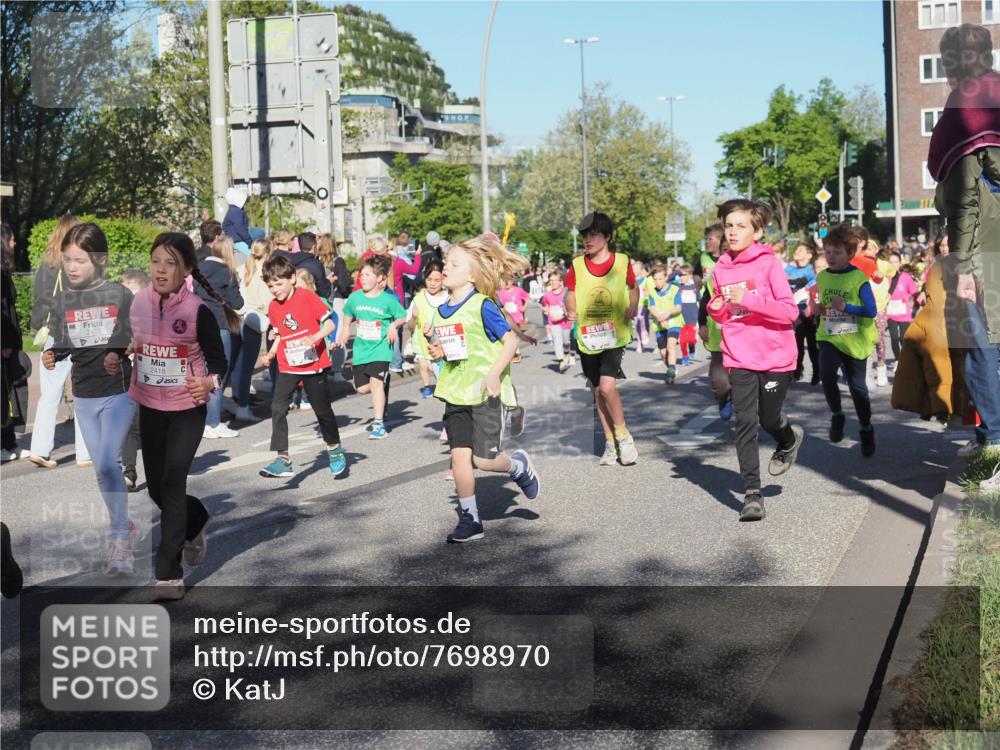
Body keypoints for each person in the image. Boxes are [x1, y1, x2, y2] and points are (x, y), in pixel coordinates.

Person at [108, 232, 228, 601]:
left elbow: (219, 362)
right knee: (158, 489)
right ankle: (196, 521)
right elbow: (127, 336)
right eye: (156, 261)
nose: (160, 270)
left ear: (187, 269)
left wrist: (208, 382)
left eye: (170, 263)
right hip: (150, 406)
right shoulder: (138, 302)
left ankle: (167, 574)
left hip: (186, 411)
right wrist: (116, 354)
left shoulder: (197, 311)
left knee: (173, 484)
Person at [424, 234, 540, 543]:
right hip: (455, 393)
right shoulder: (440, 311)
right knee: (460, 458)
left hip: (486, 394)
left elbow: (510, 341)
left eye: (454, 263)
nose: (446, 267)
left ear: (473, 275)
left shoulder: (483, 306)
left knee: (483, 461)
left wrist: (494, 374)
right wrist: (440, 351)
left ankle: (517, 466)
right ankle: (471, 520)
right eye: (446, 262)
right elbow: (456, 349)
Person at [43, 223, 137, 574]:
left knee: (109, 463)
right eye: (67, 260)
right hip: (83, 394)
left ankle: (120, 541)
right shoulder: (64, 300)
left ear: (100, 260)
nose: (72, 267)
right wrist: (53, 354)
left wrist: (119, 350)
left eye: (79, 260)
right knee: (101, 468)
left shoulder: (118, 295)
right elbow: (64, 342)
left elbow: (131, 332)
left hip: (118, 393)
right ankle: (122, 526)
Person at [928, 22, 1000, 482]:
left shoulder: (966, 104)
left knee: (981, 346)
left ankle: (993, 444)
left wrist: (965, 267)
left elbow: (966, 195)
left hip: (983, 246)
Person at [707, 199, 803, 522]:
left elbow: (790, 311)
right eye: (728, 226)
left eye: (741, 226)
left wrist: (748, 299)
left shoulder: (769, 263)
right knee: (744, 422)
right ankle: (752, 494)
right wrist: (717, 307)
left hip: (775, 355)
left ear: (757, 230)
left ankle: (788, 439)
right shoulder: (720, 268)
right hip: (739, 354)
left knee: (770, 418)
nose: (732, 232)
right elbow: (724, 313)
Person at [258, 254, 345, 479]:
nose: (275, 289)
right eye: (270, 285)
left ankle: (334, 449)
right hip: (289, 365)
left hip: (313, 364)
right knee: (277, 407)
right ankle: (283, 459)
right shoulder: (273, 307)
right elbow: (282, 335)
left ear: (292, 278)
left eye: (279, 283)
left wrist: (315, 337)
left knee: (322, 410)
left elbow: (330, 323)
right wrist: (271, 353)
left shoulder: (307, 297)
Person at [565, 212, 640, 466]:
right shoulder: (576, 265)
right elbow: (570, 293)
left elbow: (633, 287)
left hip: (615, 334)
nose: (588, 240)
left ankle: (624, 437)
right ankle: (610, 443)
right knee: (597, 391)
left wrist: (633, 305)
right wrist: (570, 308)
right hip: (588, 337)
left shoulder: (621, 262)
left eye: (594, 234)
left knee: (608, 387)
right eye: (585, 235)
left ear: (607, 236)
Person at [28, 214, 91, 468]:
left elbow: (40, 299)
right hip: (79, 332)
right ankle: (85, 453)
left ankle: (40, 450)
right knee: (84, 394)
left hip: (53, 334)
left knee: (49, 395)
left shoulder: (46, 265)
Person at [813, 224, 879, 457]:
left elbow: (871, 310)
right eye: (828, 251)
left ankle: (866, 428)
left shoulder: (858, 277)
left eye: (837, 252)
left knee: (858, 389)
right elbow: (824, 305)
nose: (830, 256)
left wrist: (847, 307)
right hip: (830, 336)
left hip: (855, 338)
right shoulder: (822, 276)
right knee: (827, 374)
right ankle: (838, 415)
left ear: (850, 254)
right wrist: (819, 308)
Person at [336, 255, 406, 439]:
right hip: (361, 349)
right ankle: (382, 385)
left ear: (379, 279)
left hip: (381, 349)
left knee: (376, 384)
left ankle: (378, 424)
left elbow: (402, 316)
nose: (363, 278)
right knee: (361, 388)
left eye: (368, 275)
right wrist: (344, 330)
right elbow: (347, 313)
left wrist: (392, 325)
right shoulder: (355, 297)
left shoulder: (387, 300)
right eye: (362, 274)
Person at [194, 235, 244, 439]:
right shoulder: (226, 271)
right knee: (217, 375)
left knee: (202, 372)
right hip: (219, 324)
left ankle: (204, 419)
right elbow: (238, 303)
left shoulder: (198, 268)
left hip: (197, 323)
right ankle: (213, 422)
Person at [231, 239, 271, 423]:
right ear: (267, 253)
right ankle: (243, 407)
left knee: (236, 364)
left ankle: (236, 400)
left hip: (237, 318)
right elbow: (268, 301)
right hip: (255, 320)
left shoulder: (241, 269)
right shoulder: (264, 275)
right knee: (247, 366)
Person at [119, 268, 149, 491]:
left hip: (152, 380)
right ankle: (129, 472)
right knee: (130, 426)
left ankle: (164, 467)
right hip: (130, 380)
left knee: (154, 427)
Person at [1, 226, 25, 463]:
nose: (14, 244)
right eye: (11, 240)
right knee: (3, 395)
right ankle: (5, 443)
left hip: (7, 342)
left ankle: (8, 442)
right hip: (4, 344)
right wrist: (6, 343)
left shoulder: (4, 271)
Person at [407, 259, 447, 398]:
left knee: (448, 386)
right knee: (443, 385)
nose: (432, 283)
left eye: (437, 280)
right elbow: (410, 327)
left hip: (448, 348)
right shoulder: (418, 299)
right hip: (427, 349)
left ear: (444, 279)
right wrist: (413, 317)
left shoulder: (450, 297)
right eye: (429, 279)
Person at [698, 267, 732, 420]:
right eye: (724, 250)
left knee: (745, 386)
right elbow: (704, 304)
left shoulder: (752, 272)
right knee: (720, 382)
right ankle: (724, 397)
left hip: (747, 340)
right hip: (719, 340)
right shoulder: (713, 279)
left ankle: (747, 434)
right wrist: (702, 324)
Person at [786, 240, 819, 383]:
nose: (796, 252)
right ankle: (797, 370)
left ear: (809, 254)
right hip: (795, 311)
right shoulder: (789, 269)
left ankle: (817, 372)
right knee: (796, 344)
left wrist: (789, 281)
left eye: (800, 250)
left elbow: (800, 281)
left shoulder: (812, 269)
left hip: (810, 311)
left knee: (812, 345)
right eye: (796, 250)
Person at [648, 267, 683, 384]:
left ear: (666, 277)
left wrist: (667, 314)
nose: (658, 282)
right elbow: (651, 307)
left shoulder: (674, 289)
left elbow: (678, 307)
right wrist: (659, 316)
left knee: (671, 344)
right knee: (663, 353)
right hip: (659, 324)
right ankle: (670, 367)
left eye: (660, 279)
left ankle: (671, 369)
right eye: (655, 279)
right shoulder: (652, 292)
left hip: (673, 322)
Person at [886, 252, 920, 368]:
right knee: (894, 339)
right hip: (890, 313)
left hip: (904, 313)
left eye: (896, 262)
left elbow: (915, 292)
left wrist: (920, 299)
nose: (893, 264)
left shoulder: (905, 277)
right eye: (891, 262)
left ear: (900, 263)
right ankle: (898, 360)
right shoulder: (885, 278)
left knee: (903, 338)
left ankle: (906, 360)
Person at [541, 270, 574, 372]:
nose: (553, 283)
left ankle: (567, 353)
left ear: (560, 282)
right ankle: (561, 361)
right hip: (553, 322)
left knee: (566, 341)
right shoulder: (547, 295)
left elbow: (571, 306)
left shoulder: (566, 293)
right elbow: (544, 305)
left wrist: (563, 314)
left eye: (555, 280)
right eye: (551, 281)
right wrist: (545, 309)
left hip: (565, 322)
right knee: (557, 340)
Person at [497, 276, 530, 362]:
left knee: (515, 334)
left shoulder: (518, 290)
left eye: (509, 281)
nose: (507, 283)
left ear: (512, 281)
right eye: (505, 281)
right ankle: (514, 353)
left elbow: (527, 297)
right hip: (506, 317)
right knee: (511, 335)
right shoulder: (501, 292)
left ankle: (516, 353)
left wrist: (524, 307)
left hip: (517, 316)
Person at [675, 264, 700, 365]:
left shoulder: (695, 287)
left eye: (684, 275)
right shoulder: (677, 287)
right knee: (682, 341)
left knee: (692, 339)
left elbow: (700, 300)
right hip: (681, 318)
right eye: (680, 275)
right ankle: (685, 356)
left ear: (689, 275)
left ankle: (692, 348)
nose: (681, 277)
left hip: (693, 318)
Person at [222, 187, 252, 254]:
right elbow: (240, 228)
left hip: (235, 243)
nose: (245, 203)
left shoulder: (232, 210)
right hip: (239, 243)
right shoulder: (236, 211)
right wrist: (249, 241)